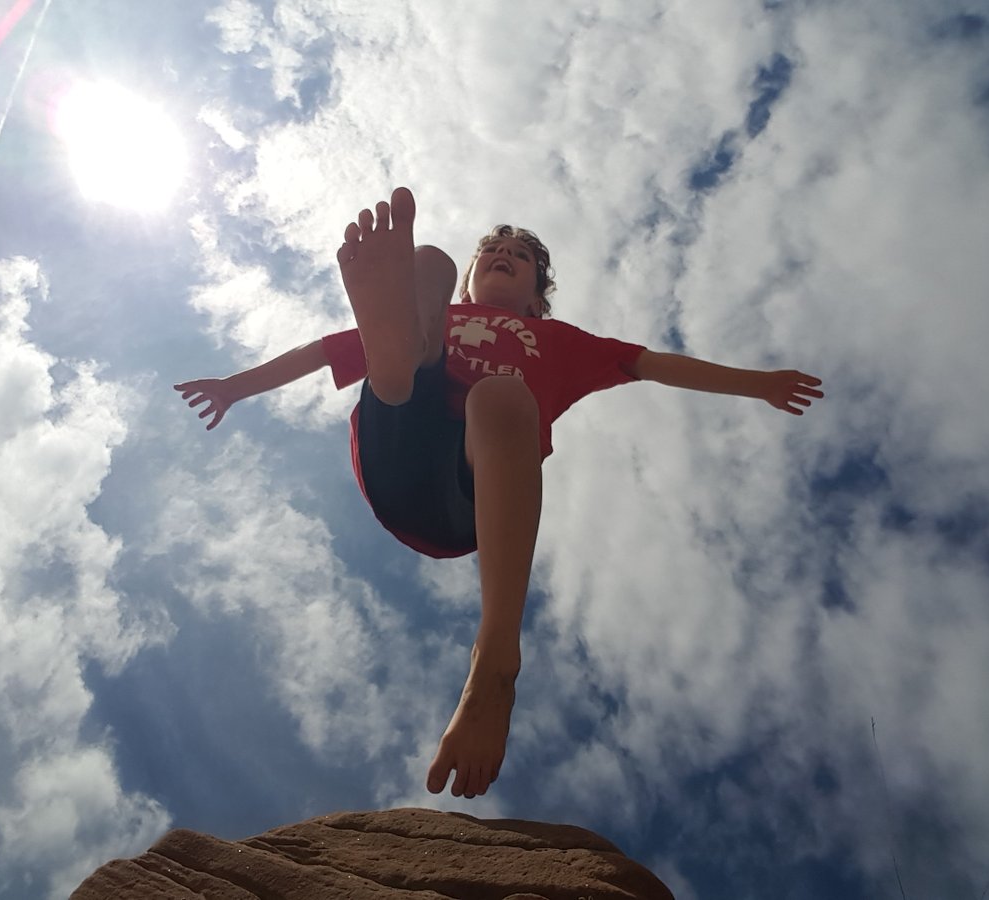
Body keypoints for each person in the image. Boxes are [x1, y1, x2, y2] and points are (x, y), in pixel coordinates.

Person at [175, 187, 823, 799]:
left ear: (539, 300)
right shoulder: (451, 309)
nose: (506, 256)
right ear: (476, 279)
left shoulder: (564, 343)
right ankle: (402, 352)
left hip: (466, 494)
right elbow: (320, 353)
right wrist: (234, 387)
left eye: (523, 258)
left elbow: (655, 365)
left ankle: (495, 655)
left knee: (503, 396)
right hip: (399, 449)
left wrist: (758, 383)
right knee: (427, 263)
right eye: (495, 252)